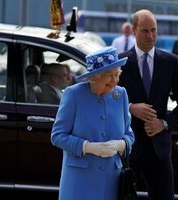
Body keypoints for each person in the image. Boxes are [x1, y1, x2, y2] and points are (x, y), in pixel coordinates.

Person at [51, 46, 135, 200]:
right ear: (94, 76)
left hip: (111, 181)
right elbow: (57, 136)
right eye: (109, 75)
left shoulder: (120, 94)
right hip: (79, 181)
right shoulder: (74, 94)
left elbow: (129, 135)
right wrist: (88, 147)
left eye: (117, 74)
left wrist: (120, 145)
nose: (115, 80)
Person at [118, 9, 178, 200]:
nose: (151, 36)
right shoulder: (120, 62)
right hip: (127, 148)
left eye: (154, 30)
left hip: (159, 150)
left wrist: (164, 123)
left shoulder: (171, 63)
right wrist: (130, 108)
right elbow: (105, 100)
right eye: (145, 31)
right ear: (134, 30)